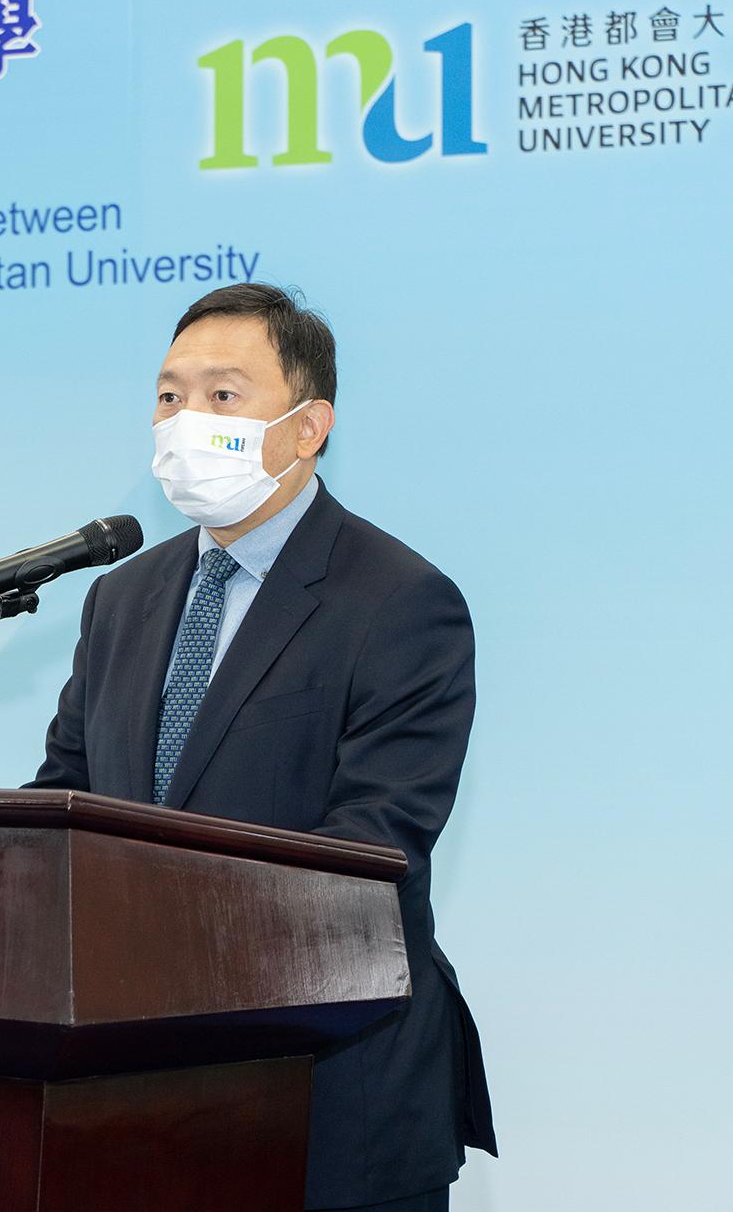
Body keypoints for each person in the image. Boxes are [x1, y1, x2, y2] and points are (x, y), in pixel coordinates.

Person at [32, 283, 495, 1211]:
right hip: (137, 1097)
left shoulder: (401, 602)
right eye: (169, 396)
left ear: (307, 425)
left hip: (329, 1094)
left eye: (222, 395)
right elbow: (67, 798)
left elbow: (375, 844)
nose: (184, 420)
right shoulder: (120, 597)